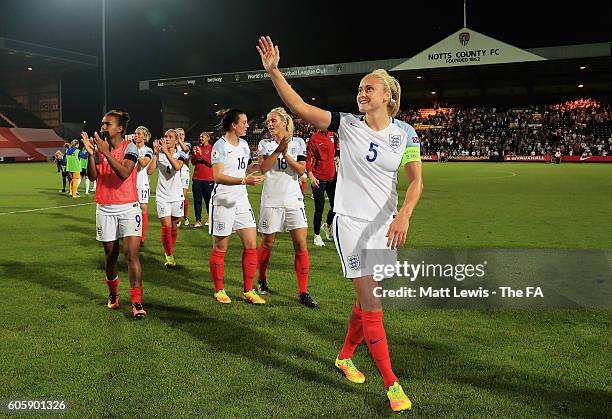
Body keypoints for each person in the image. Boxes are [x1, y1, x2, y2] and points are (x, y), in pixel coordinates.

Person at [258, 36, 423, 412]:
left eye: (370, 88)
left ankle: (345, 356)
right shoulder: (345, 124)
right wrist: (273, 71)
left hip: (385, 225)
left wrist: (404, 214)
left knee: (367, 301)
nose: (362, 93)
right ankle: (392, 384)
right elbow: (298, 106)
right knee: (372, 301)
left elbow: (416, 180)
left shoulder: (406, 134)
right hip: (349, 222)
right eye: (360, 88)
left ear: (389, 97)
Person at [81, 110, 146, 319]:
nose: (103, 127)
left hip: (129, 207)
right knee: (110, 255)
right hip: (105, 207)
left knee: (131, 255)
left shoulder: (131, 147)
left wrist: (105, 153)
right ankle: (113, 294)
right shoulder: (100, 148)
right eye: (102, 123)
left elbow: (125, 173)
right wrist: (92, 154)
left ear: (119, 128)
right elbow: (93, 176)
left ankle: (136, 301)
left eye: (107, 124)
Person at [256, 106, 318, 308]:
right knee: (267, 243)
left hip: (293, 200)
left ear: (284, 122)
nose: (270, 123)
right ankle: (262, 279)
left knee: (301, 244)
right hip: (271, 200)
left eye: (273, 120)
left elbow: (301, 170)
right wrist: (278, 149)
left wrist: (285, 152)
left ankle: (303, 291)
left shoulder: (298, 142)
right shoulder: (264, 144)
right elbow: (263, 168)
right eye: (268, 120)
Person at [208, 109, 266, 305]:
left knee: (251, 244)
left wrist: (262, 164)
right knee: (221, 247)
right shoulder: (220, 146)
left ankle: (248, 290)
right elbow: (217, 176)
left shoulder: (244, 145)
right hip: (223, 200)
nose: (247, 125)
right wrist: (244, 181)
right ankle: (219, 290)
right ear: (234, 125)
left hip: (241, 200)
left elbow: (247, 168)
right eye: (244, 122)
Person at [147, 129, 186, 267]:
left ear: (176, 141)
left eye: (170, 137)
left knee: (174, 226)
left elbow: (176, 166)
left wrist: (166, 152)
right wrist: (156, 155)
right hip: (162, 196)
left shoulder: (180, 153)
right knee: (166, 226)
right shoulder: (160, 154)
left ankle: (168, 249)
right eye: (165, 136)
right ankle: (169, 255)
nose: (167, 139)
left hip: (176, 196)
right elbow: (149, 171)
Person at [306, 128, 337, 246]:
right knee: (319, 208)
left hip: (332, 178)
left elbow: (337, 152)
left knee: (336, 207)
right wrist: (311, 176)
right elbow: (308, 159)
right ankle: (316, 235)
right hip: (318, 178)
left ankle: (327, 225)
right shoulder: (314, 138)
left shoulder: (332, 135)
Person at [133, 126, 153, 246]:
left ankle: (142, 238)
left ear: (145, 137)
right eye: (135, 133)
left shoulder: (148, 150)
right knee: (130, 209)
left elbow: (144, 163)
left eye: (138, 134)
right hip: (129, 183)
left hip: (142, 182)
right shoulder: (129, 148)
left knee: (143, 208)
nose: (135, 135)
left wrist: (133, 151)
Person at [190, 131, 214, 228]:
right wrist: (195, 155)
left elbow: (212, 162)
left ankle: (210, 218)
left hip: (208, 179)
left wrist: (201, 155)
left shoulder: (212, 149)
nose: (201, 138)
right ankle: (198, 220)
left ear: (208, 138)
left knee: (209, 200)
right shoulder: (197, 148)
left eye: (203, 136)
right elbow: (193, 162)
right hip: (197, 178)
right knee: (197, 200)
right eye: (200, 136)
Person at [176, 128, 191, 227]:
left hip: (184, 173)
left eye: (182, 134)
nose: (181, 136)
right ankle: (178, 217)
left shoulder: (187, 145)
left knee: (183, 196)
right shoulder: (172, 146)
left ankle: (184, 216)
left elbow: (185, 150)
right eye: (179, 134)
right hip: (175, 174)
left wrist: (179, 140)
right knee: (176, 196)